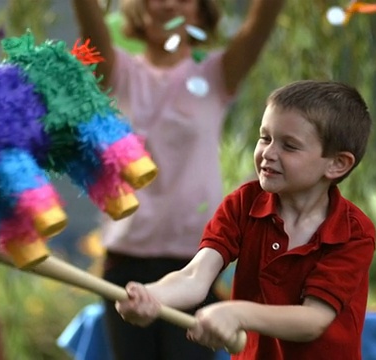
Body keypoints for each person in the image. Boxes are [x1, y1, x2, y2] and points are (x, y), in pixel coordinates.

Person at [70, 0, 285, 358]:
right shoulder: (118, 71)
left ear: (201, 12)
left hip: (195, 264)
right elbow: (89, 19)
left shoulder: (216, 75)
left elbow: (260, 22)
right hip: (125, 261)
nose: (168, 3)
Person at [116, 80, 376, 359]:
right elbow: (194, 276)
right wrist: (150, 297)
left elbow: (312, 320)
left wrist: (236, 313)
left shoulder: (353, 232)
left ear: (337, 164)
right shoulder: (242, 204)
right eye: (265, 137)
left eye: (289, 146)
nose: (268, 153)